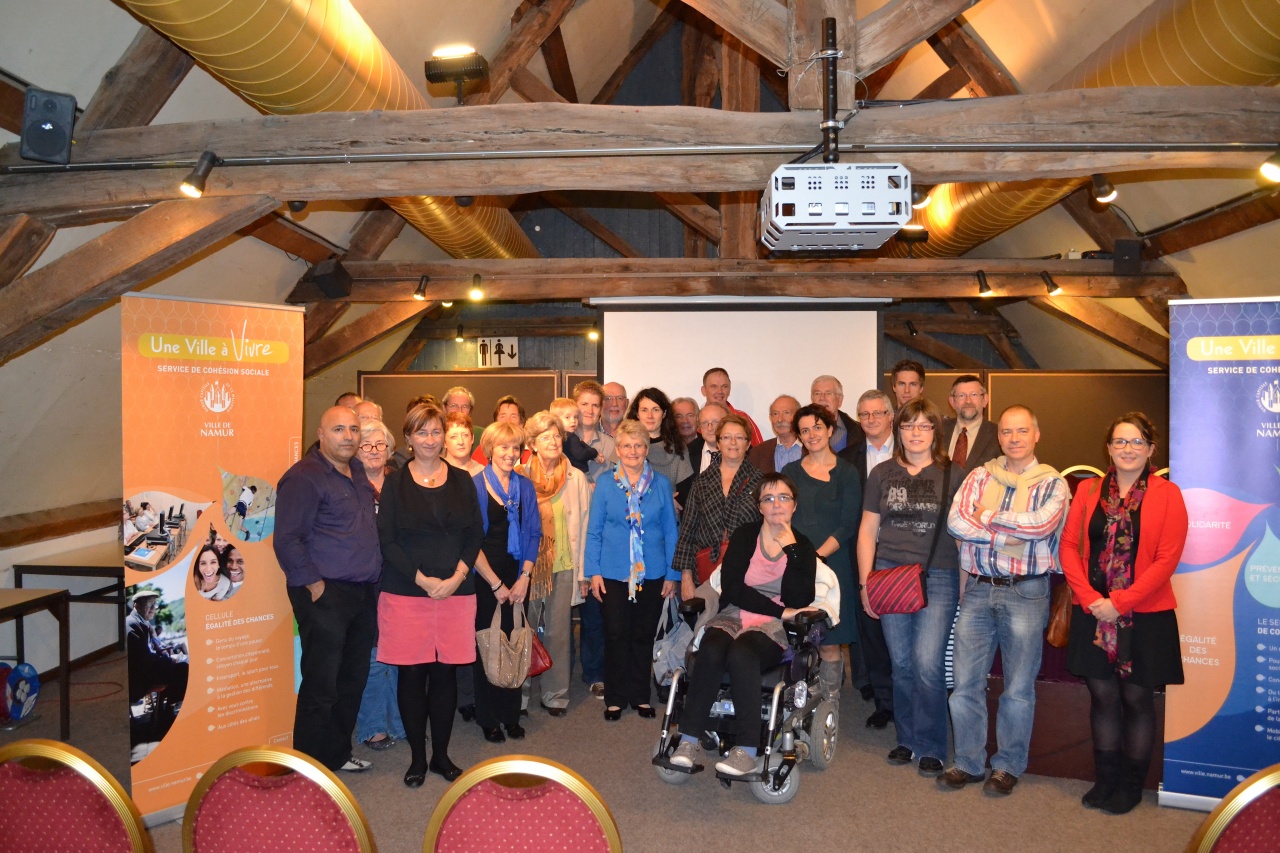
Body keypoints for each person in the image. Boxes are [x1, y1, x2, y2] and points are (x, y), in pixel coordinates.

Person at [1061, 413, 1186, 815]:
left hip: (1144, 612)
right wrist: (1090, 598)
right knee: (1102, 695)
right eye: (1120, 441)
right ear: (1109, 448)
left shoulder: (1168, 494)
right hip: (1094, 610)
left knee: (1136, 698)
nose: (1127, 449)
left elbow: (1167, 559)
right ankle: (1105, 780)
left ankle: (1131, 787)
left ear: (1151, 449)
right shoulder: (1087, 490)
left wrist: (1121, 602)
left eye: (1136, 442)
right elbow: (1069, 546)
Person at [942, 405, 1069, 797]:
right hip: (978, 588)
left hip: (1026, 591)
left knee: (1017, 688)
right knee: (964, 683)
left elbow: (1041, 525)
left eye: (1022, 431)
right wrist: (1004, 534)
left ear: (1036, 435)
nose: (1014, 439)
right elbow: (956, 521)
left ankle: (1008, 766)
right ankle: (968, 762)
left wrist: (986, 516)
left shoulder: (1052, 482)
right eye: (1007, 432)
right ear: (999, 437)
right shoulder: (980, 475)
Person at [669, 473, 818, 776]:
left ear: (794, 504)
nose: (776, 504)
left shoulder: (803, 547)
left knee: (742, 653)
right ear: (759, 507)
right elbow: (733, 588)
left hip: (772, 625)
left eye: (783, 498)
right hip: (738, 612)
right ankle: (688, 740)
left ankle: (747, 749)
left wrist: (791, 551)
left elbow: (799, 597)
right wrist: (781, 610)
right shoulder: (745, 535)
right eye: (768, 499)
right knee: (711, 647)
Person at [375, 401, 484, 787]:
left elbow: (474, 533)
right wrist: (422, 580)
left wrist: (457, 576)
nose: (430, 439)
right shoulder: (395, 483)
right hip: (407, 592)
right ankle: (417, 759)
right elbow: (387, 540)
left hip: (456, 591)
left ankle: (441, 755)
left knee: (445, 674)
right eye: (421, 432)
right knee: (411, 675)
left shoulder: (462, 480)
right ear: (408, 437)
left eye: (436, 431)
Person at [856, 398, 961, 779]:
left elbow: (962, 536)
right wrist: (865, 583)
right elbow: (867, 531)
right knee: (900, 664)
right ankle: (907, 739)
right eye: (908, 425)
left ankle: (932, 746)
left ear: (935, 432)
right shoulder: (881, 473)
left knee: (927, 664)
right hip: (889, 575)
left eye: (924, 425)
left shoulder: (954, 474)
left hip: (939, 576)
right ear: (898, 430)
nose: (916, 433)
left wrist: (966, 586)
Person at [274, 405, 382, 774]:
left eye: (353, 429)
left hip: (362, 592)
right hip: (326, 594)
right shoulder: (304, 477)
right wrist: (316, 586)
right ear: (321, 434)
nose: (348, 436)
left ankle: (336, 754)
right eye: (339, 429)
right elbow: (287, 539)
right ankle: (308, 767)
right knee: (322, 685)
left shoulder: (356, 471)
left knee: (352, 680)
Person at [584, 419, 679, 721]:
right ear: (618, 449)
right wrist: (593, 572)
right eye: (626, 445)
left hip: (652, 572)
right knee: (615, 634)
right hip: (612, 573)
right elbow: (594, 531)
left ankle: (640, 695)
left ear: (646, 449)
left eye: (638, 445)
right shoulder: (605, 483)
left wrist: (673, 574)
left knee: (643, 634)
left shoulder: (661, 484)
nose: (633, 451)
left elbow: (671, 532)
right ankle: (615, 697)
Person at [782, 405, 861, 699]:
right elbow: (781, 517)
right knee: (795, 637)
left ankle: (830, 701)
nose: (812, 435)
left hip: (833, 566)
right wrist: (798, 556)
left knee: (829, 641)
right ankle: (797, 700)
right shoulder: (790, 472)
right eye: (804, 430)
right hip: (795, 563)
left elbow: (848, 524)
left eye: (817, 427)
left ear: (830, 430)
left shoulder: (847, 472)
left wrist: (816, 558)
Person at [471, 421, 541, 743]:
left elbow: (534, 533)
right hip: (485, 577)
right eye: (504, 447)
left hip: (518, 576)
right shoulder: (475, 485)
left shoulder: (524, 486)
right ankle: (488, 718)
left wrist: (525, 577)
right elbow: (471, 541)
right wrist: (495, 584)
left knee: (515, 641)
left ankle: (510, 715)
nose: (511, 453)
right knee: (488, 644)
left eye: (516, 448)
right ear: (489, 449)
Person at [518, 411, 592, 714]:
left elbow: (585, 527)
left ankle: (555, 695)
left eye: (556, 436)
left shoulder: (576, 478)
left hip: (563, 566)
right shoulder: (519, 475)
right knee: (523, 631)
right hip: (527, 570)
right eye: (545, 437)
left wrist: (584, 573)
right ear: (532, 444)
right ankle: (519, 696)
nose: (553, 441)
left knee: (559, 634)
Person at [843, 389, 897, 728]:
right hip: (863, 553)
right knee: (872, 631)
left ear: (891, 416)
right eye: (864, 414)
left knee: (902, 633)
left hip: (901, 554)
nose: (871, 419)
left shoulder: (910, 449)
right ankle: (884, 703)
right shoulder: (847, 457)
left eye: (878, 413)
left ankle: (907, 699)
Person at [354, 418, 405, 752]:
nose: (374, 451)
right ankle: (373, 726)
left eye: (380, 445)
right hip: (363, 580)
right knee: (372, 654)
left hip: (400, 577)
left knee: (400, 651)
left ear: (389, 449)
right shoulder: (350, 484)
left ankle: (399, 722)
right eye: (366, 445)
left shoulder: (401, 483)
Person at [674, 414, 763, 601]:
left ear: (748, 444)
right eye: (726, 437)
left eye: (739, 437)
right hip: (706, 571)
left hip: (749, 571)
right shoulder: (702, 481)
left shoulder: (761, 482)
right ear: (718, 443)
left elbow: (769, 530)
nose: (733, 442)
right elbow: (688, 531)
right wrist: (686, 578)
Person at [626, 387, 693, 498]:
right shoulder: (624, 445)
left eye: (655, 410)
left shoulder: (678, 446)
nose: (650, 416)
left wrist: (668, 502)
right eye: (644, 410)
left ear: (664, 413)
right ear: (637, 414)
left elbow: (685, 492)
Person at [126, 589, 188, 705]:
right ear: (136, 606)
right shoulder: (133, 624)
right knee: (184, 669)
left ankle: (165, 708)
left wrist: (166, 659)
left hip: (144, 671)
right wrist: (168, 660)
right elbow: (143, 659)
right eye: (148, 604)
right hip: (138, 679)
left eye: (154, 605)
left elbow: (147, 654)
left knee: (179, 668)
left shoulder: (140, 622)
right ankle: (167, 708)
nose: (153, 608)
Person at [942, 374, 999, 473]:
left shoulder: (998, 435)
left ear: (985, 400)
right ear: (952, 402)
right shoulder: (937, 431)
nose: (968, 401)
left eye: (974, 395)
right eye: (961, 396)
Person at [700, 368, 763, 445]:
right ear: (703, 390)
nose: (720, 391)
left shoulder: (743, 418)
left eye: (724, 386)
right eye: (714, 386)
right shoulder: (695, 420)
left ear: (729, 390)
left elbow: (759, 449)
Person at [573, 380, 617, 486]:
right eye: (584, 404)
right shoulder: (561, 441)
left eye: (595, 405)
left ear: (601, 409)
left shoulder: (611, 445)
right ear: (574, 406)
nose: (590, 411)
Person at [811, 374, 866, 454]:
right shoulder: (801, 429)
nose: (822, 398)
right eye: (817, 393)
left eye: (828, 393)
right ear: (812, 399)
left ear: (840, 400)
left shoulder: (859, 431)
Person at [749, 394, 802, 475]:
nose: (780, 419)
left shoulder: (811, 448)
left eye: (786, 413)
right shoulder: (758, 452)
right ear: (770, 418)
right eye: (775, 414)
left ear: (799, 416)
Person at [550, 396, 601, 474]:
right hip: (579, 473)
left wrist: (594, 456)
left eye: (576, 417)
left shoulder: (558, 436)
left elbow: (582, 444)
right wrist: (594, 452)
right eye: (567, 417)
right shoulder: (570, 436)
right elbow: (580, 454)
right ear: (556, 420)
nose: (573, 421)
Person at [687, 402, 726, 478]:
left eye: (715, 422)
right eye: (704, 423)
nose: (710, 428)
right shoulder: (687, 453)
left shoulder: (740, 453)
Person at [443, 412, 484, 477]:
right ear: (444, 442)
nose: (461, 442)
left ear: (472, 439)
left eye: (465, 435)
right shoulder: (437, 472)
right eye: (454, 437)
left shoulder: (483, 473)